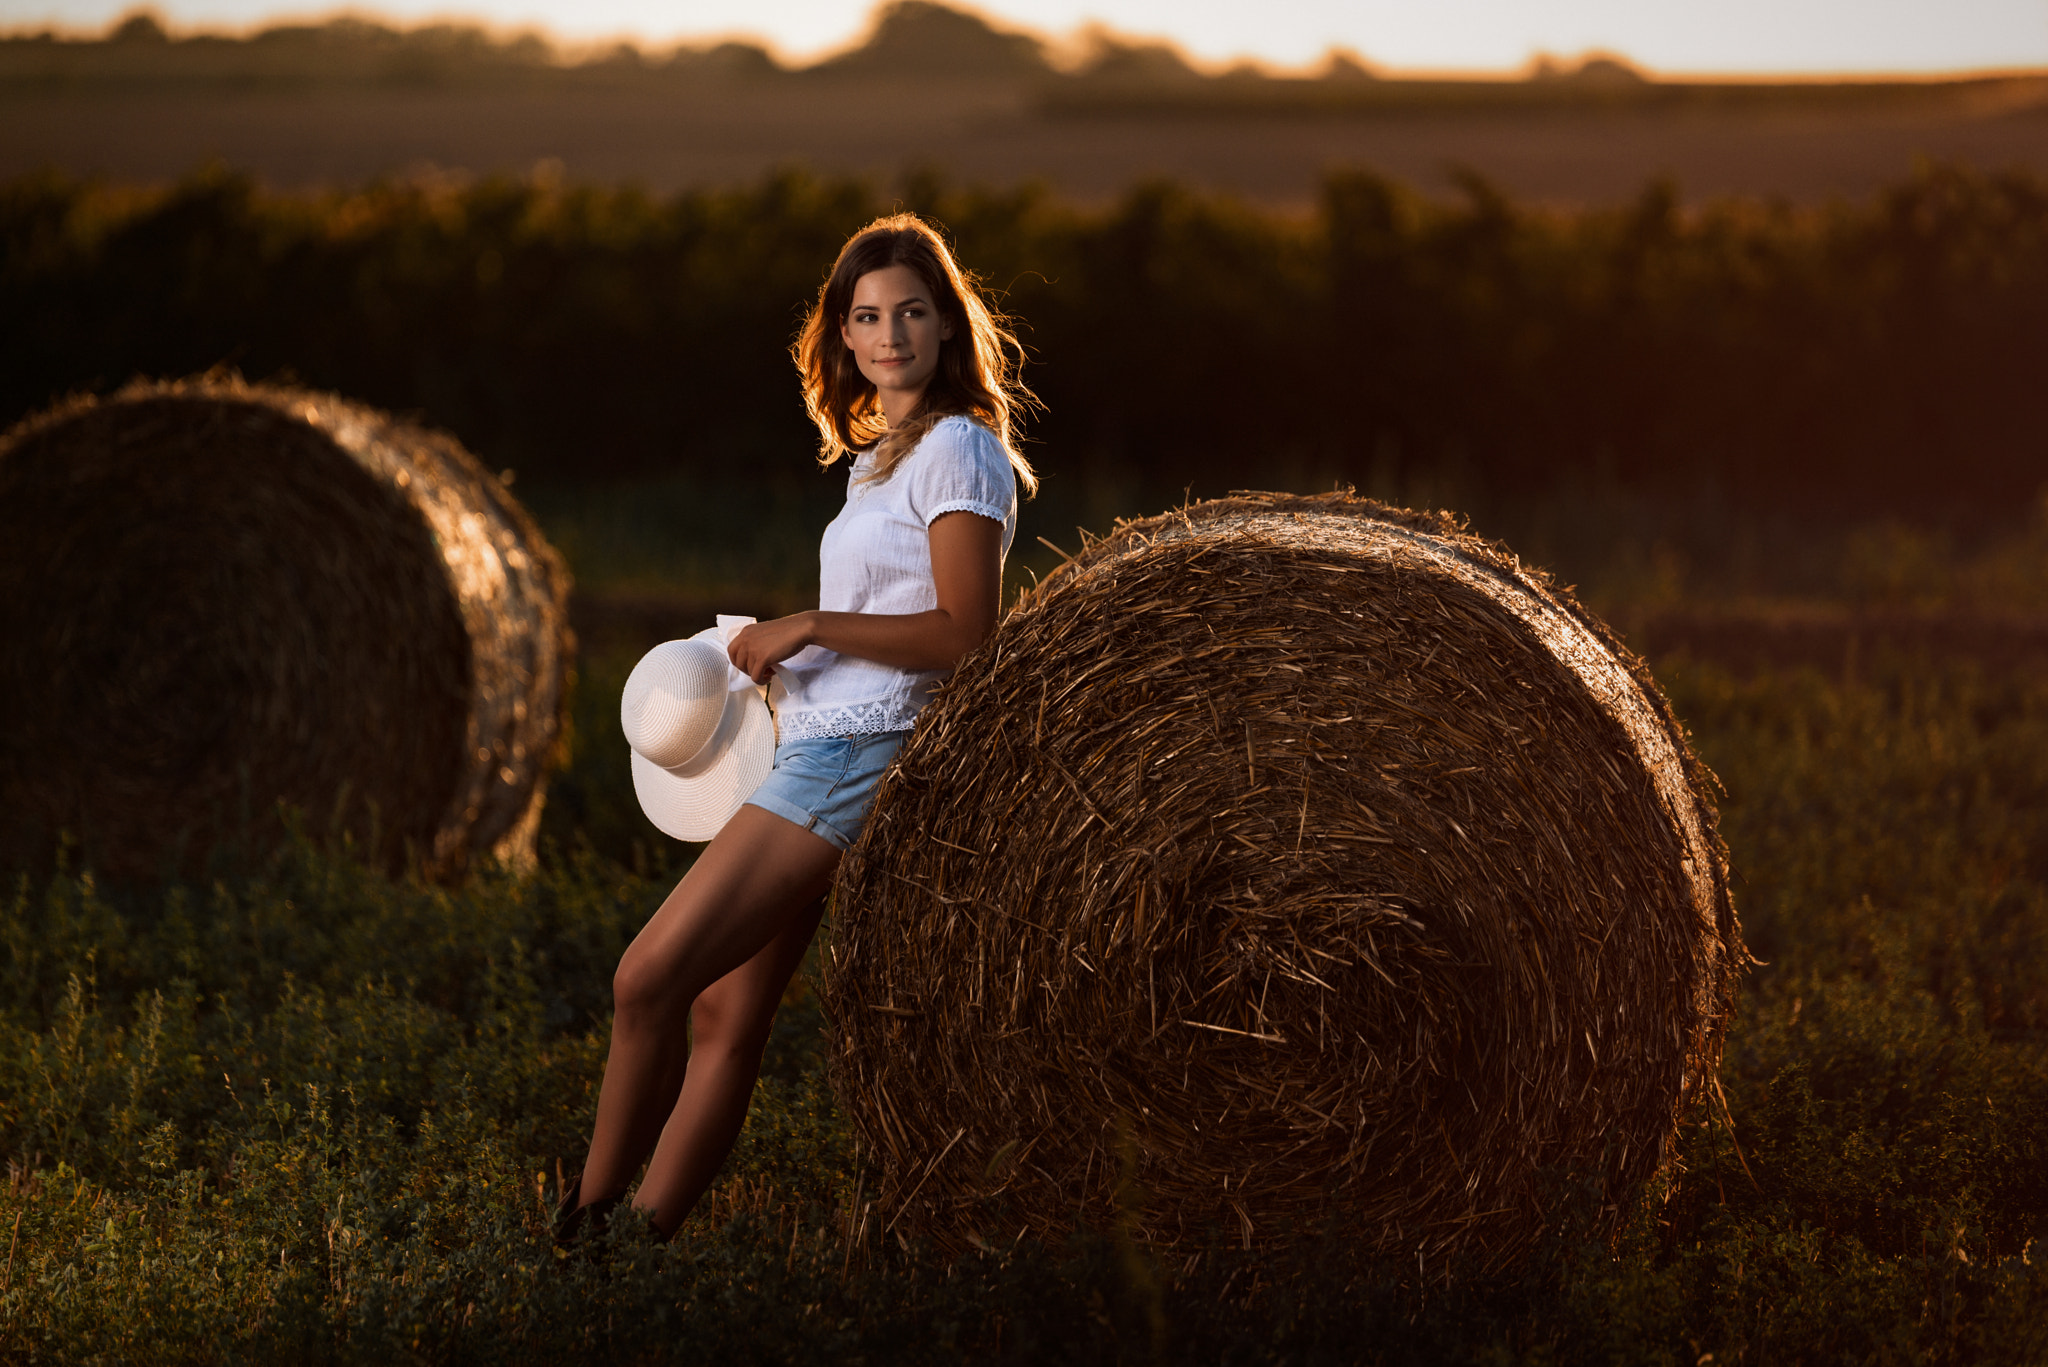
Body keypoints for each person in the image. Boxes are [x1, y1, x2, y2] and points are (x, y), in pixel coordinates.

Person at [557, 213, 1038, 1243]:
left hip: (858, 755)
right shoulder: (878, 460)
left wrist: (812, 622)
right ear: (845, 338)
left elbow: (964, 633)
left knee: (642, 976)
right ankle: (638, 1246)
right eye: (867, 316)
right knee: (723, 1014)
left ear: (947, 327)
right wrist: (790, 661)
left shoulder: (958, 448)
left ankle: (580, 1230)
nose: (891, 333)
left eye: (912, 310)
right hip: (822, 740)